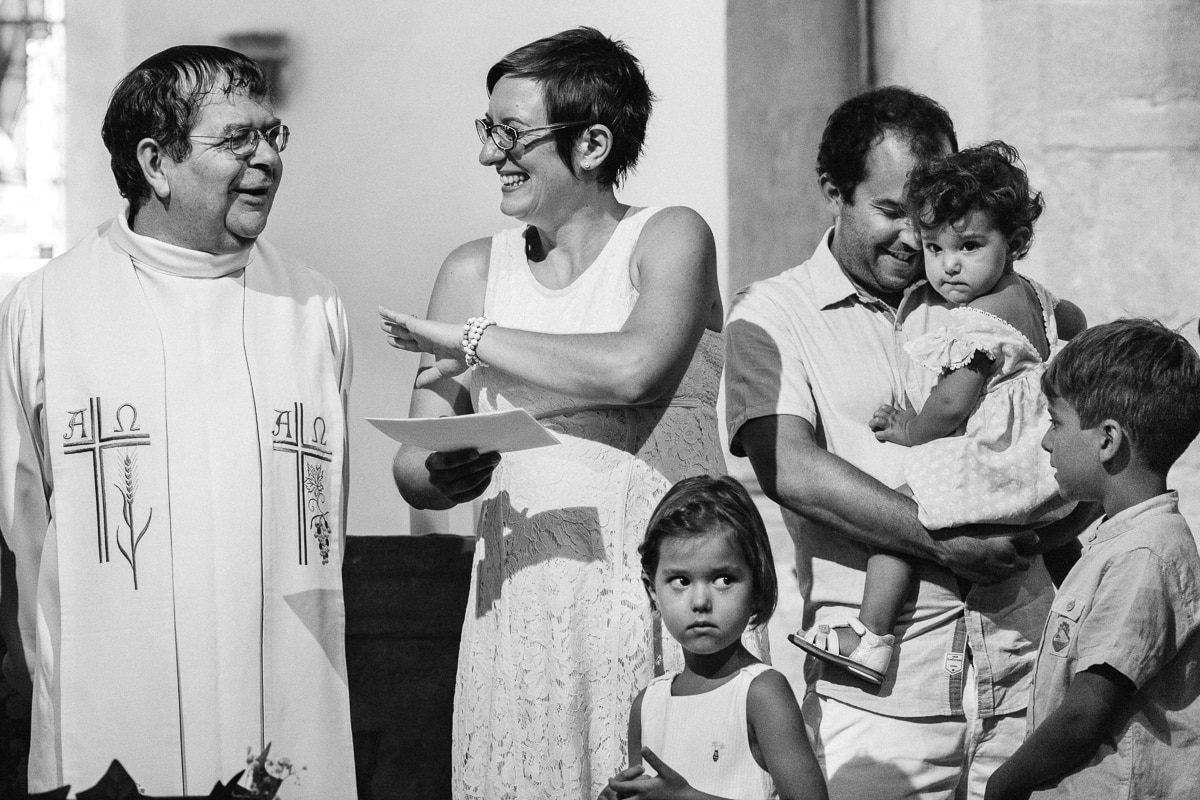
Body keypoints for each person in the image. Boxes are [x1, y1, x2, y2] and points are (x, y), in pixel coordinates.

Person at [382, 27, 747, 800]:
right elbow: (412, 465)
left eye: (510, 134)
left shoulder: (670, 236)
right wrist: (440, 470)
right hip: (523, 612)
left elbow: (633, 369)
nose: (490, 155)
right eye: (487, 130)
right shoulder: (473, 268)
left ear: (592, 144)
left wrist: (477, 340)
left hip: (663, 595)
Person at [0, 46, 356, 797]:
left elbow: (329, 514)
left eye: (272, 135)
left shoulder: (313, 308)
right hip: (112, 689)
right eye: (236, 140)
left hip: (284, 679)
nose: (265, 158)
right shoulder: (48, 309)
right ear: (156, 163)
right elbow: (23, 519)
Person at [724, 86, 1095, 799]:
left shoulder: (994, 299)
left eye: (936, 220)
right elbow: (790, 470)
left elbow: (1081, 439)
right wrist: (942, 539)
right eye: (893, 213)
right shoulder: (772, 314)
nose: (917, 239)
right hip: (884, 698)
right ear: (833, 192)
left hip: (1028, 673)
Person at [794, 142, 1080, 685]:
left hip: (998, 462)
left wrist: (911, 430)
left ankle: (871, 634)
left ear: (1014, 243)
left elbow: (953, 400)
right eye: (934, 247)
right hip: (1041, 466)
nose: (949, 265)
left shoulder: (981, 317)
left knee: (901, 508)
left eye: (969, 246)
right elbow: (1077, 328)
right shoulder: (1040, 300)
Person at [986, 319, 1200, 799]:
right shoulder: (1124, 538)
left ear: (1107, 439)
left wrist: (1002, 786)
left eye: (1056, 422)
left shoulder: (1146, 554)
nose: (1045, 442)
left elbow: (1084, 716)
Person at [600, 476, 827, 800]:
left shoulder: (761, 693)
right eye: (681, 580)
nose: (701, 601)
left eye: (723, 579)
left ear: (758, 587)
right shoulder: (647, 705)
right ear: (653, 589)